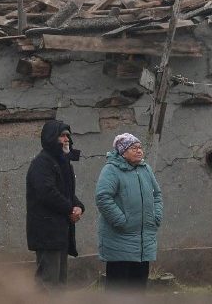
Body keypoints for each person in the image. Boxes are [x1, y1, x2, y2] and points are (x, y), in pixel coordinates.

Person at [94, 132, 163, 290]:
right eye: (133, 148)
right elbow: (103, 197)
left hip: (143, 241)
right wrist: (121, 221)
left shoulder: (145, 169)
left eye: (140, 147)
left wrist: (156, 216)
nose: (139, 151)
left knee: (138, 288)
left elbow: (157, 194)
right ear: (122, 152)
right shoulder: (111, 170)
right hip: (120, 240)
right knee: (118, 289)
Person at [25, 120, 85, 287]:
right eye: (62, 136)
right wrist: (70, 209)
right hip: (47, 232)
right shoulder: (42, 163)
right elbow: (47, 193)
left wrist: (79, 206)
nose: (66, 139)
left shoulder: (63, 163)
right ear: (51, 138)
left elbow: (68, 192)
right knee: (48, 283)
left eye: (67, 136)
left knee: (60, 284)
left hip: (60, 232)